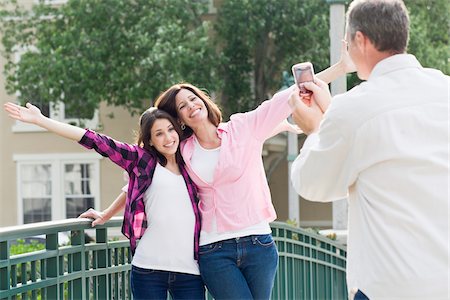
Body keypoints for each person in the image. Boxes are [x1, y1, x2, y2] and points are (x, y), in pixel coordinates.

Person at [153, 54, 353, 299]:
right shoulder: (182, 150)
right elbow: (147, 172)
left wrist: (341, 68)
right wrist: (108, 212)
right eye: (182, 106)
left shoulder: (243, 127)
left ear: (203, 101)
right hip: (213, 250)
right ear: (179, 118)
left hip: (258, 243)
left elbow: (288, 97)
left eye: (193, 99)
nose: (191, 106)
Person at [289, 0, 449, 299]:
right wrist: (334, 114)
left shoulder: (354, 107)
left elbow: (313, 184)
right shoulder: (445, 89)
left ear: (360, 40)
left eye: (347, 42)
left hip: (391, 285)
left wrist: (315, 129)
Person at [3, 103, 205, 300]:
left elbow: (132, 190)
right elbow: (96, 140)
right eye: (159, 133)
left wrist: (108, 212)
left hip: (189, 271)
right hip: (149, 269)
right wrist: (42, 121)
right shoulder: (143, 161)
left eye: (171, 129)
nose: (168, 138)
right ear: (150, 141)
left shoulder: (190, 163)